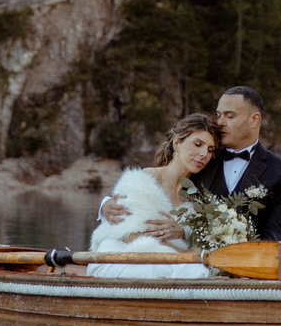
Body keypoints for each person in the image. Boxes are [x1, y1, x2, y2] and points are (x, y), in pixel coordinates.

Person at [88, 113, 219, 279]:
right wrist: (189, 257)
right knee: (196, 271)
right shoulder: (145, 179)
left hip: (164, 261)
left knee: (197, 271)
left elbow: (193, 242)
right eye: (197, 144)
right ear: (177, 143)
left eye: (210, 150)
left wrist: (188, 249)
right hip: (119, 256)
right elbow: (128, 233)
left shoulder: (195, 198)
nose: (203, 154)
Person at [191, 86, 281, 244]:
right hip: (200, 263)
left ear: (254, 120)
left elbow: (277, 237)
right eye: (219, 115)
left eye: (230, 116)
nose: (220, 123)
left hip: (255, 265)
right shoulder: (202, 159)